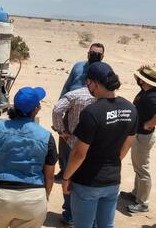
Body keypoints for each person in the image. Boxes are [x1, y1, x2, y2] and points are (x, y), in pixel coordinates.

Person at [61, 62, 137, 228]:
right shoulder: (130, 109)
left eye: (88, 83)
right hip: (112, 180)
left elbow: (78, 154)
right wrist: (111, 162)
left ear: (95, 82)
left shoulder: (92, 112)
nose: (88, 87)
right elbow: (127, 144)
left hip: (87, 182)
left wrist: (66, 177)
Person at [0, 87, 58, 228]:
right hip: (34, 198)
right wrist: (45, 197)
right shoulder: (46, 137)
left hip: (1, 196)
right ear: (36, 108)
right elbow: (49, 176)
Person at [121, 65, 156, 213]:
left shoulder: (152, 96)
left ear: (145, 82)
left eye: (141, 79)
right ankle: (136, 194)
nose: (138, 80)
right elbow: (138, 79)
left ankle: (143, 203)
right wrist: (140, 71)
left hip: (143, 137)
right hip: (140, 135)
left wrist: (148, 124)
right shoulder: (147, 90)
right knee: (138, 166)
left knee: (142, 169)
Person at [56, 43, 105, 181]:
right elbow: (67, 85)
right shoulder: (78, 66)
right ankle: (64, 170)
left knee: (86, 143)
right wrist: (61, 102)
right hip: (71, 109)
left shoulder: (104, 70)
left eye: (98, 54)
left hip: (92, 113)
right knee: (65, 140)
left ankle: (81, 171)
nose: (94, 56)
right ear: (88, 53)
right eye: (92, 53)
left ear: (102, 57)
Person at [52, 87, 95, 226]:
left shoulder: (75, 94)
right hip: (95, 146)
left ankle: (70, 215)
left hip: (73, 143)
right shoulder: (105, 97)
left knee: (69, 177)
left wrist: (61, 130)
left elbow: (57, 110)